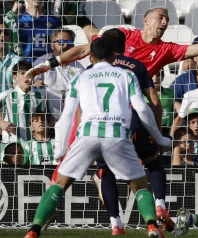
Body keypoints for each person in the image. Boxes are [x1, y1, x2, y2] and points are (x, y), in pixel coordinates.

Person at [23, 38, 171, 238]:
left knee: (60, 184)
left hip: (87, 135)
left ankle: (34, 230)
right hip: (117, 135)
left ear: (90, 57)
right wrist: (159, 138)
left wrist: (60, 149)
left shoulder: (80, 78)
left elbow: (67, 115)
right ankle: (152, 226)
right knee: (139, 186)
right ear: (113, 56)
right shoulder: (126, 75)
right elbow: (143, 108)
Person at [26, 6, 198, 79]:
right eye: (160, 17)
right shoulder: (123, 35)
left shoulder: (166, 49)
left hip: (130, 105)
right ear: (145, 20)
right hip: (98, 95)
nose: (164, 21)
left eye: (167, 18)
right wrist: (49, 65)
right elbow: (83, 49)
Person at [86, 28, 171, 233]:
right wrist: (157, 134)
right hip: (132, 122)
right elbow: (154, 103)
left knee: (106, 172)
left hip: (102, 126)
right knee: (153, 162)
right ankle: (160, 205)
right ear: (125, 46)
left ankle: (115, 223)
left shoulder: (91, 69)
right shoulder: (136, 66)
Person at [33, 28, 85, 122]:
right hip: (45, 122)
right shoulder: (41, 62)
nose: (66, 45)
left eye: (69, 42)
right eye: (61, 42)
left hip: (71, 120)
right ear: (52, 45)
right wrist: (34, 84)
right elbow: (26, 83)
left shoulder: (79, 68)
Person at [0, 61, 47, 143]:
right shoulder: (6, 95)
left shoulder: (42, 95)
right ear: (15, 77)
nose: (27, 76)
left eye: (30, 73)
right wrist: (1, 122)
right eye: (22, 73)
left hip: (35, 145)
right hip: (11, 144)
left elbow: (51, 117)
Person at [149, 69, 175, 134]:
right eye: (152, 75)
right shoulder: (143, 95)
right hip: (151, 130)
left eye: (158, 75)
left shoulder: (171, 93)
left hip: (168, 130)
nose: (155, 78)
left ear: (162, 77)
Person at [0, 18, 21, 93]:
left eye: (6, 32)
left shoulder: (17, 60)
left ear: (9, 38)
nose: (2, 35)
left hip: (10, 103)